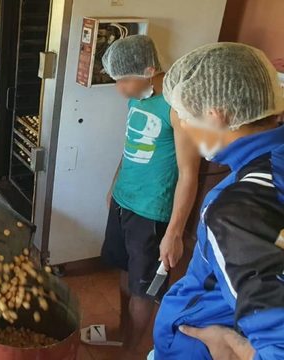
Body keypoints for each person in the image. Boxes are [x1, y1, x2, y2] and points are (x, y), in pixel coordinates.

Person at [153, 43, 284, 359]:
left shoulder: (235, 212)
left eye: (185, 116)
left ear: (216, 116)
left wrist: (231, 344)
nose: (183, 125)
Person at [84, 35, 200, 355]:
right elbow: (130, 146)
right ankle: (124, 332)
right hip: (125, 201)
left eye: (123, 81)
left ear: (149, 70)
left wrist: (174, 233)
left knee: (144, 288)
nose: (119, 88)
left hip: (152, 211)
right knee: (124, 270)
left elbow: (189, 174)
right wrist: (114, 184)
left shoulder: (177, 109)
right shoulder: (138, 96)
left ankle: (131, 350)